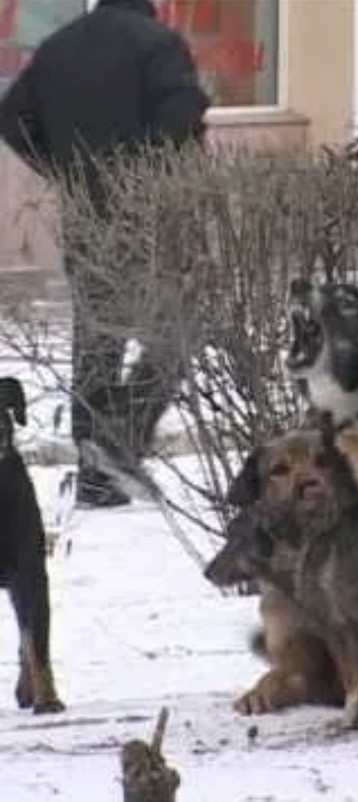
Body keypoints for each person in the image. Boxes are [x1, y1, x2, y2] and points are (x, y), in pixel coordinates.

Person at [0, 0, 209, 507]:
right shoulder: (158, 45)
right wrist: (158, 181)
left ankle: (96, 471)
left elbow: (11, 117)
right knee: (180, 332)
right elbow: (182, 121)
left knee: (97, 342)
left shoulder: (60, 46)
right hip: (146, 218)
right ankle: (122, 438)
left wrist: (63, 169)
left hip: (87, 216)